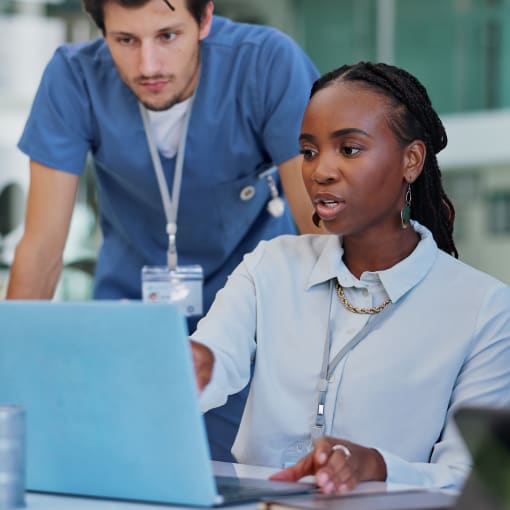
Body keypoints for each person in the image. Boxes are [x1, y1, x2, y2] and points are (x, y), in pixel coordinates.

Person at [6, 0, 321, 462]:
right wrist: (8, 389)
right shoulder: (74, 78)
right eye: (125, 40)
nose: (148, 65)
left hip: (253, 341)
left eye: (168, 36)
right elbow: (41, 251)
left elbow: (323, 233)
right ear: (102, 31)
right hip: (132, 341)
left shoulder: (267, 64)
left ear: (205, 18)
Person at [191, 61, 510, 492]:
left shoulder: (483, 308)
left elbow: (469, 478)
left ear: (411, 160)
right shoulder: (271, 265)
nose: (320, 170)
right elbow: (209, 363)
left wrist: (376, 465)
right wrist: (185, 367)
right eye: (308, 151)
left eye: (349, 149)